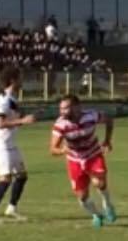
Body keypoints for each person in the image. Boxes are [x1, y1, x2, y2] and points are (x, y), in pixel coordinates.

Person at [49, 95, 117, 228]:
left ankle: (108, 205)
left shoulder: (91, 116)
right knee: (82, 196)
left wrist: (107, 141)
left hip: (93, 154)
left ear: (76, 107)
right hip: (74, 160)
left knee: (99, 182)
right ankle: (96, 214)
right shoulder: (60, 125)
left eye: (66, 108)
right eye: (61, 109)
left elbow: (109, 120)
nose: (62, 112)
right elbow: (52, 149)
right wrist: (62, 150)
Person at [0, 67, 37, 225]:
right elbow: (0, 124)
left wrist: (24, 118)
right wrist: (23, 121)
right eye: (20, 78)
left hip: (11, 144)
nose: (22, 81)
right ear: (13, 80)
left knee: (22, 175)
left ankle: (11, 208)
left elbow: (13, 119)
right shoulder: (4, 100)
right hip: (1, 145)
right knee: (5, 179)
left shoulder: (12, 99)